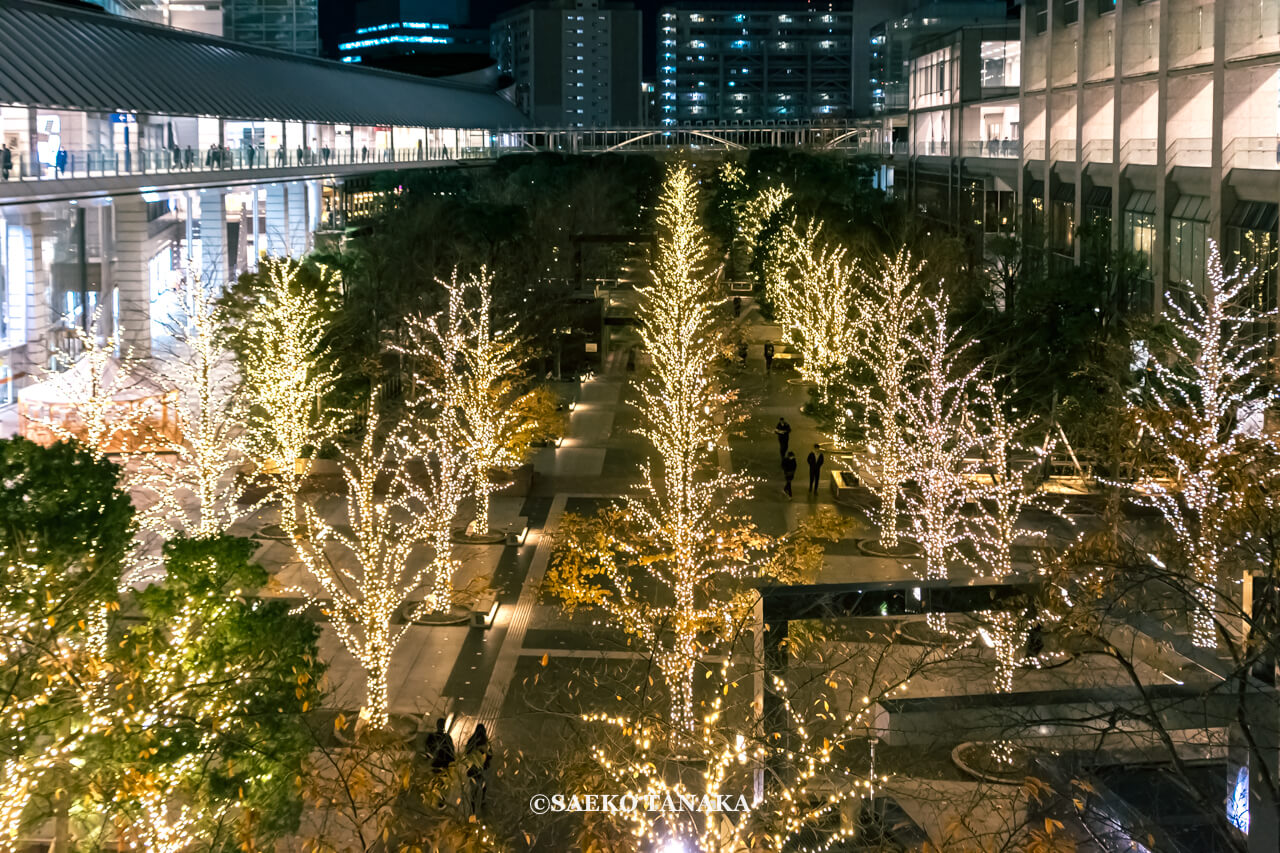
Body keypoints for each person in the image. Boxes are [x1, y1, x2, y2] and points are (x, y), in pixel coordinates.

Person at [464, 723, 492, 813]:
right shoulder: (486, 743)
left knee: (474, 789)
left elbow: (467, 754)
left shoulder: (472, 741)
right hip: (481, 769)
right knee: (483, 786)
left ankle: (473, 809)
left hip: (473, 769)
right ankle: (481, 803)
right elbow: (490, 755)